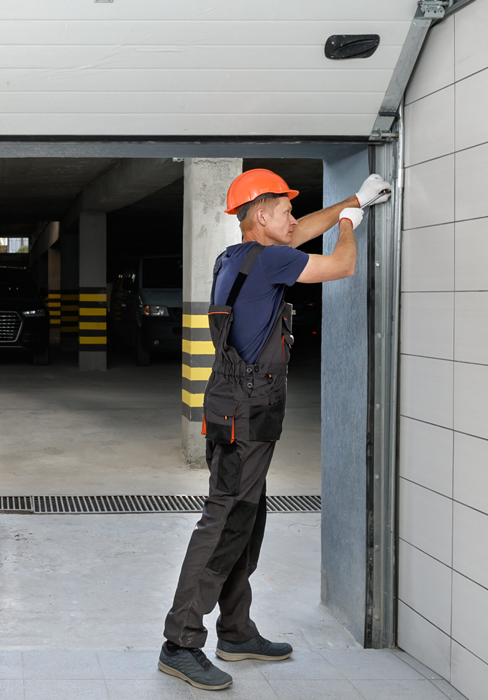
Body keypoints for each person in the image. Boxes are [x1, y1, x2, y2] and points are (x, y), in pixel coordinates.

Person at [158, 169, 391, 691]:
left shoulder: (237, 258)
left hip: (236, 412)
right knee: (224, 525)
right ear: (260, 215)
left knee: (246, 519)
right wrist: (350, 223)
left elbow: (300, 232)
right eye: (284, 208)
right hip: (246, 414)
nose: (292, 216)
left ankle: (236, 632)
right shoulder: (273, 260)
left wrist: (354, 199)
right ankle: (180, 642)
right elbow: (342, 265)